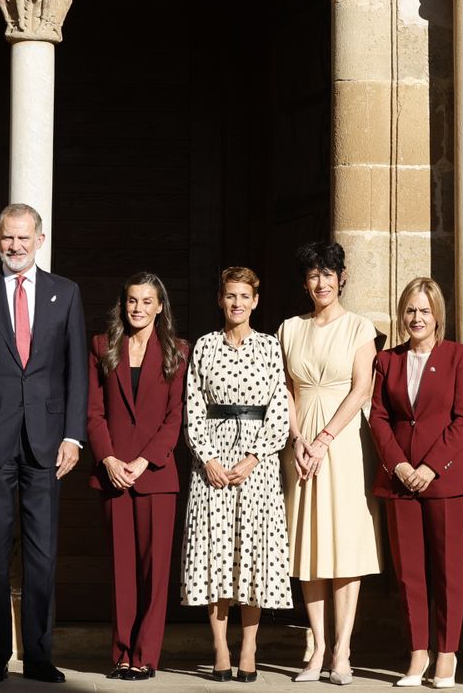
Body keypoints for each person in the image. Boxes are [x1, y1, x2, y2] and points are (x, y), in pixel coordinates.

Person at [0, 203, 87, 684]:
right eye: (8, 238)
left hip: (48, 444)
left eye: (24, 239)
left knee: (42, 555)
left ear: (40, 240)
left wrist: (73, 435)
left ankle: (39, 656)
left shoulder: (65, 293)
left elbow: (75, 373)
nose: (15, 246)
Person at [181, 267, 292, 683]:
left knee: (252, 553)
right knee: (216, 553)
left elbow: (279, 405)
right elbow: (193, 404)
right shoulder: (205, 347)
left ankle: (249, 646)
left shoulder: (268, 347)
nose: (237, 303)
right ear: (220, 300)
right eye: (231, 296)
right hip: (211, 461)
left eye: (245, 296)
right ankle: (220, 648)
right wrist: (207, 457)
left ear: (256, 301)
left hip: (255, 464)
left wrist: (255, 456)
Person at [278, 241, 382, 685]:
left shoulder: (360, 327)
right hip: (299, 443)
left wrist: (322, 439)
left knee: (343, 545)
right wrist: (298, 438)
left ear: (342, 277)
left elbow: (361, 388)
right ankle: (317, 647)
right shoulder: (289, 328)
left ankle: (343, 650)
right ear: (305, 282)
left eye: (328, 273)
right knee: (308, 544)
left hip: (342, 443)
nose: (321, 282)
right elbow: (283, 389)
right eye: (313, 275)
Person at [369, 277, 463, 689]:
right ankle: (418, 653)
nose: (417, 318)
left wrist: (431, 467)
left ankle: (446, 654)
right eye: (411, 310)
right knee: (409, 572)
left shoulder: (459, 357)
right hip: (399, 481)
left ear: (438, 316)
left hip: (447, 480)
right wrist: (399, 465)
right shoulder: (388, 360)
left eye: (425, 311)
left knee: (449, 570)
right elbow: (378, 417)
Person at [85, 273, 188, 681]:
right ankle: (122, 653)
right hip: (113, 474)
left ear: (160, 306)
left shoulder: (177, 351)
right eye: (132, 300)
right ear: (122, 304)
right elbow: (94, 411)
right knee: (122, 570)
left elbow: (175, 416)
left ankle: (146, 655)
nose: (138, 308)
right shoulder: (102, 347)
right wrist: (108, 458)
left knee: (154, 570)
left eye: (147, 301)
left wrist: (145, 461)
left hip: (155, 476)